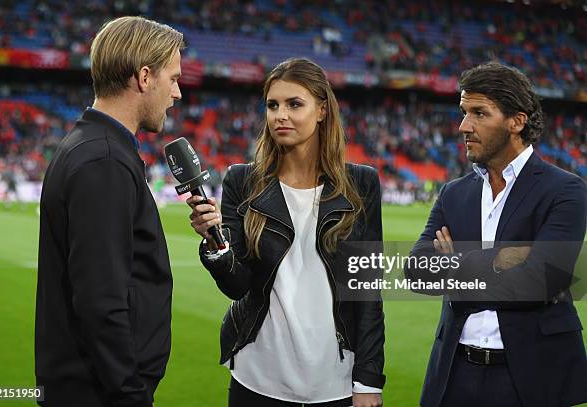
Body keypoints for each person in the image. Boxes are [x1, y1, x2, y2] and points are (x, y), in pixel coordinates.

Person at [188, 58, 385, 407]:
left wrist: (369, 380)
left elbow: (367, 290)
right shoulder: (241, 180)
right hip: (257, 375)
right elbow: (237, 285)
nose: (280, 114)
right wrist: (215, 245)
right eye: (272, 105)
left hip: (334, 380)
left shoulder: (362, 183)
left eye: (294, 104)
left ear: (322, 110)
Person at [406, 62, 587, 407]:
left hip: (530, 377)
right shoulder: (453, 193)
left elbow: (541, 282)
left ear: (516, 122)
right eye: (463, 112)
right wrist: (501, 259)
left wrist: (456, 270)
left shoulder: (566, 190)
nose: (463, 126)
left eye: (479, 113)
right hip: (454, 373)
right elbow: (417, 272)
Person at [35, 16, 183, 407]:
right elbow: (100, 301)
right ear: (145, 77)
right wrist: (131, 395)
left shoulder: (92, 145)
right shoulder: (104, 159)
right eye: (173, 78)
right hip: (98, 393)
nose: (178, 92)